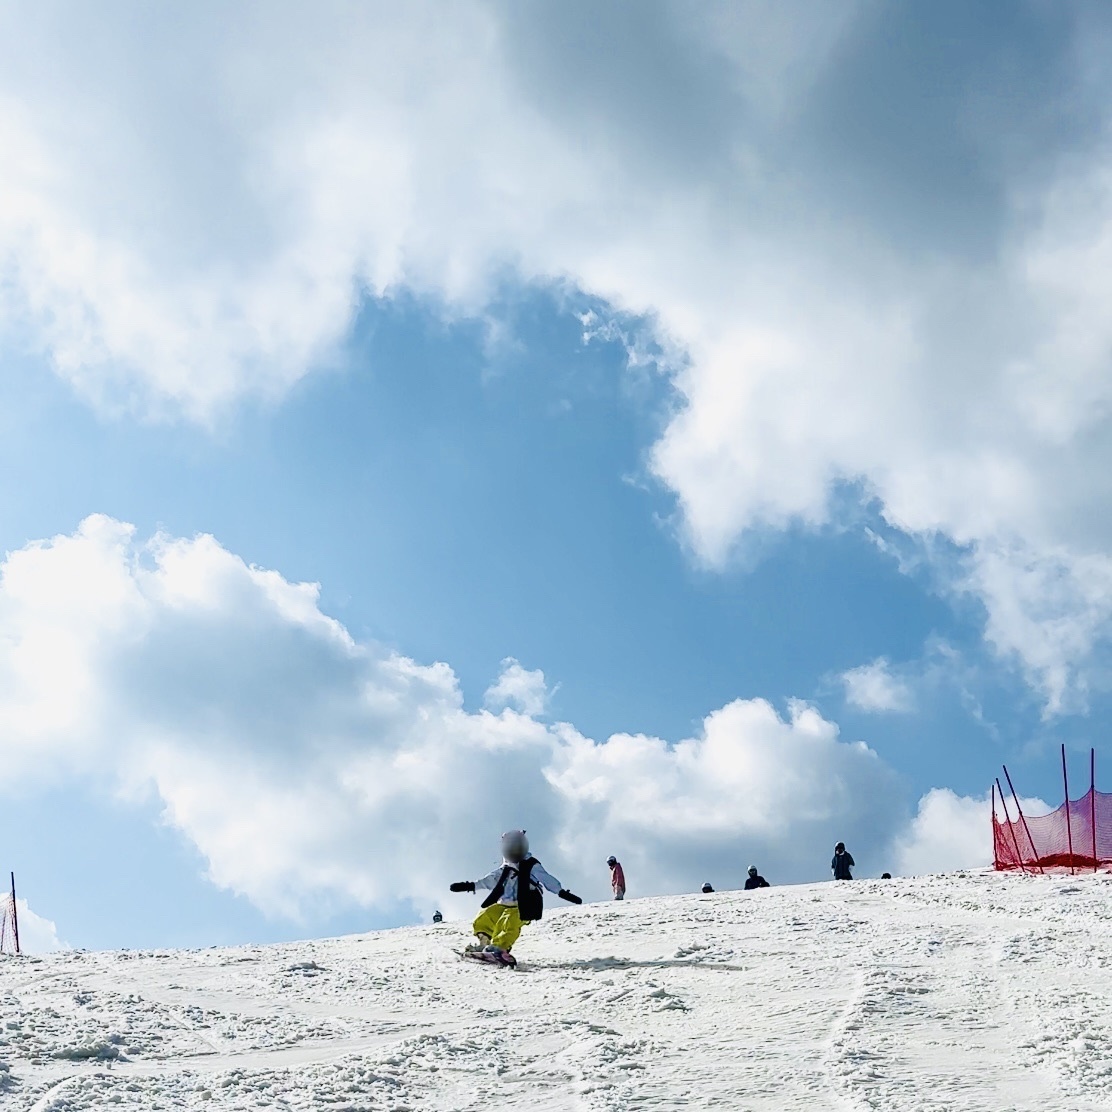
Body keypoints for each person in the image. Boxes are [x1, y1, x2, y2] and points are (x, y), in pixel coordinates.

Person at [449, 829, 582, 957]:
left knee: (508, 922)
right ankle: (485, 943)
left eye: (517, 848)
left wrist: (561, 892)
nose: (514, 852)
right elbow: (487, 881)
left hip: (525, 905)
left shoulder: (530, 865)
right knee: (485, 916)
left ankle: (500, 947)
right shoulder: (504, 869)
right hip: (505, 903)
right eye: (511, 849)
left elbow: (546, 879)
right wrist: (469, 886)